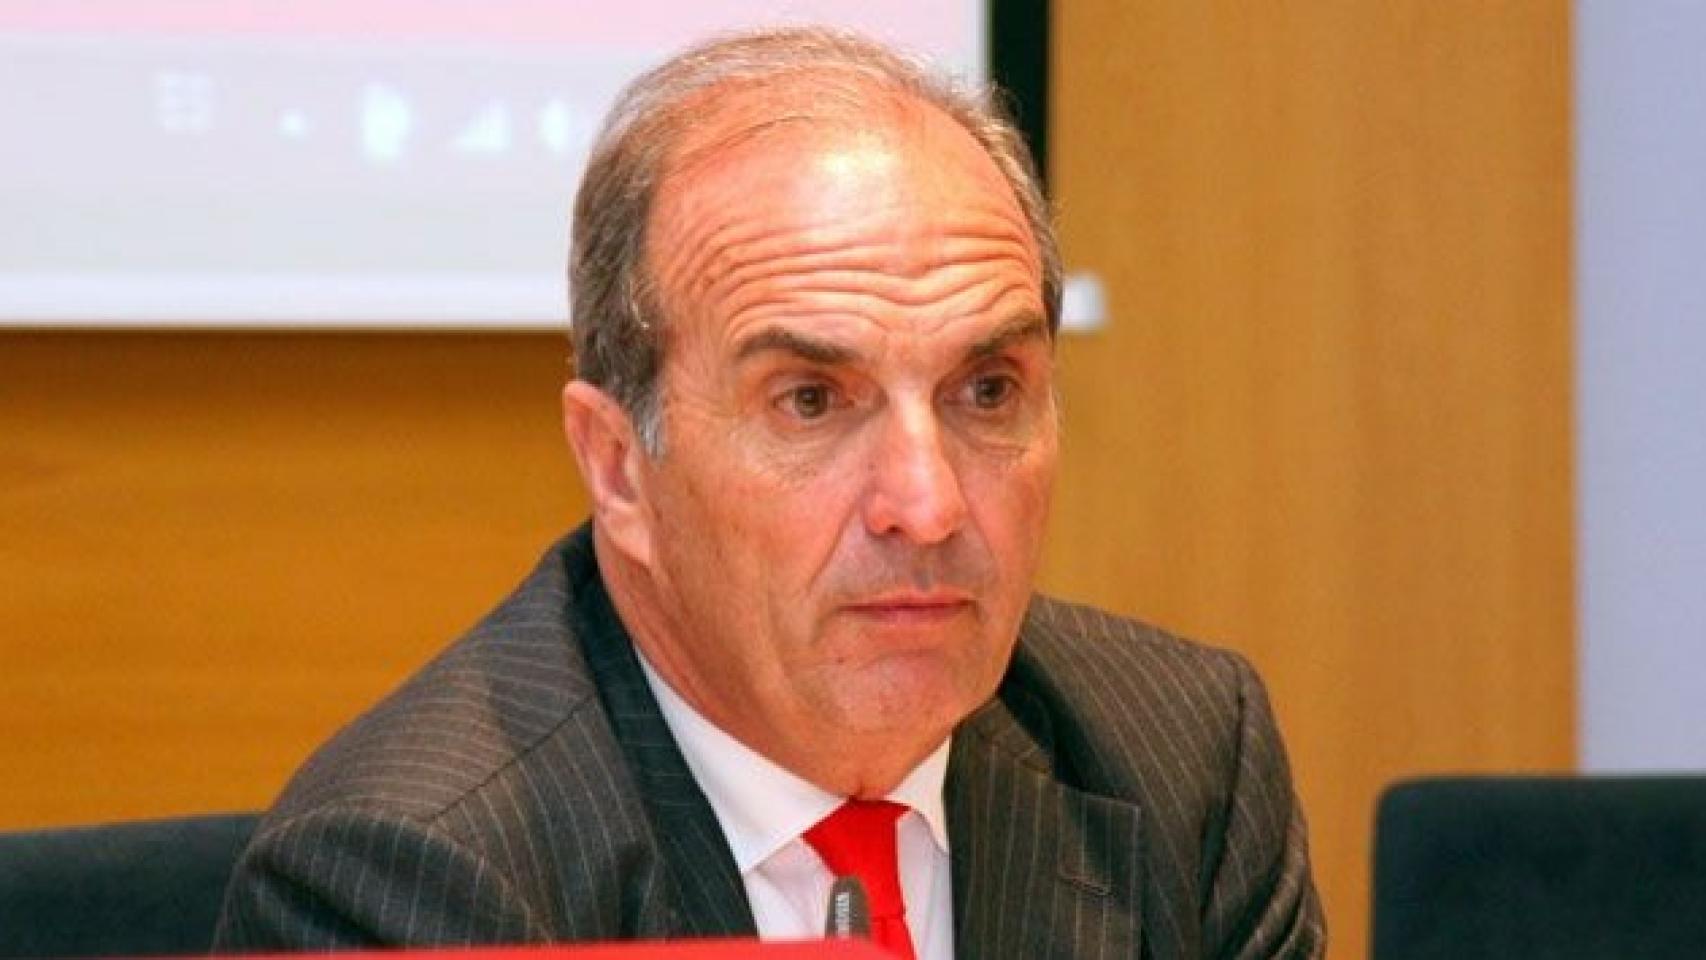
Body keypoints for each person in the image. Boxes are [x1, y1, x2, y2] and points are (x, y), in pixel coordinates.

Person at [215, 26, 1324, 959]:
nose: (927, 505)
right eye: (810, 402)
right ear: (618, 468)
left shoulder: (1183, 758)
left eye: (986, 391)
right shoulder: (409, 878)